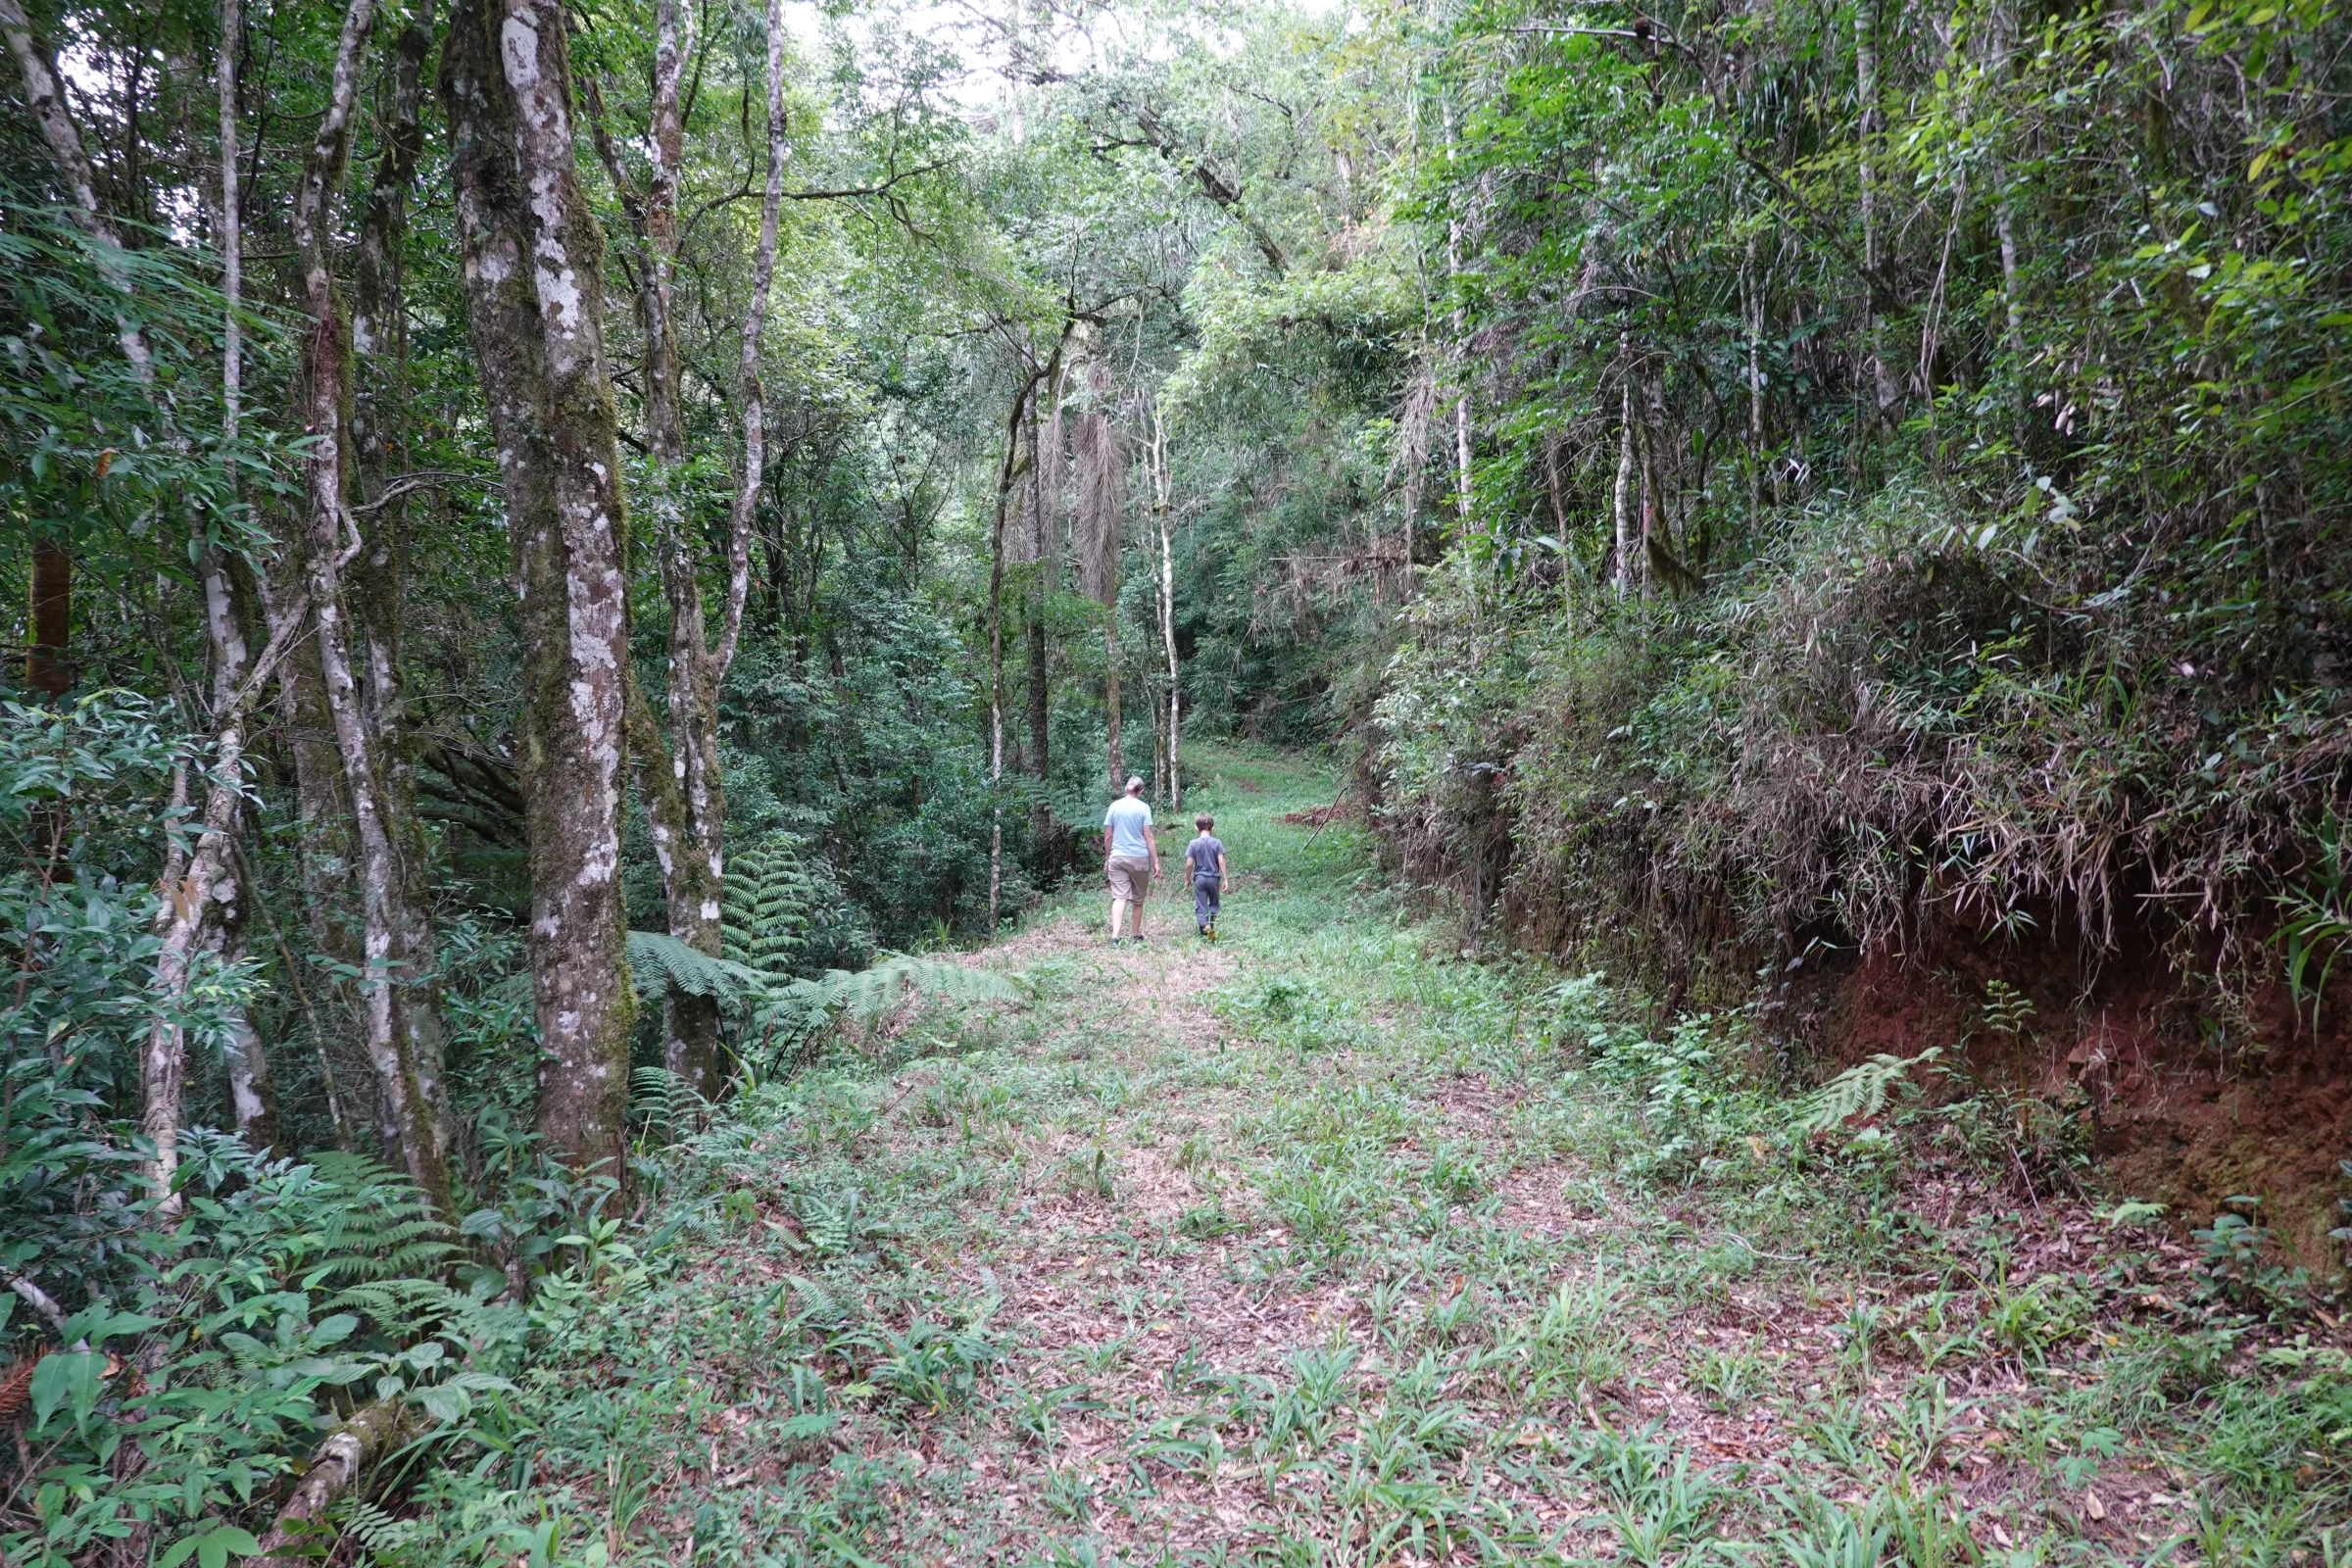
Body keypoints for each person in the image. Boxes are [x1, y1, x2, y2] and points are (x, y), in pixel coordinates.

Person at [1102, 776, 1161, 946]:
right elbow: (1148, 837)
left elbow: (1108, 836)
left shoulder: (1114, 806)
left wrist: (1107, 858)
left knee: (1119, 897)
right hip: (1139, 859)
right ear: (1141, 791)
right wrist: (1156, 860)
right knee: (1137, 899)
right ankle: (1135, 934)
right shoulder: (1144, 808)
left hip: (1117, 858)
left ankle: (1115, 935)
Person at [1187, 813, 1228, 939]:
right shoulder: (1217, 843)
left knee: (1201, 905)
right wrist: (1226, 879)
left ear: (1196, 828)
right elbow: (1221, 861)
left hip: (1199, 879)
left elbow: (1189, 864)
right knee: (1214, 903)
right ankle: (1210, 925)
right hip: (1214, 879)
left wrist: (1186, 879)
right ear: (1212, 828)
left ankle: (1205, 928)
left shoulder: (1193, 843)